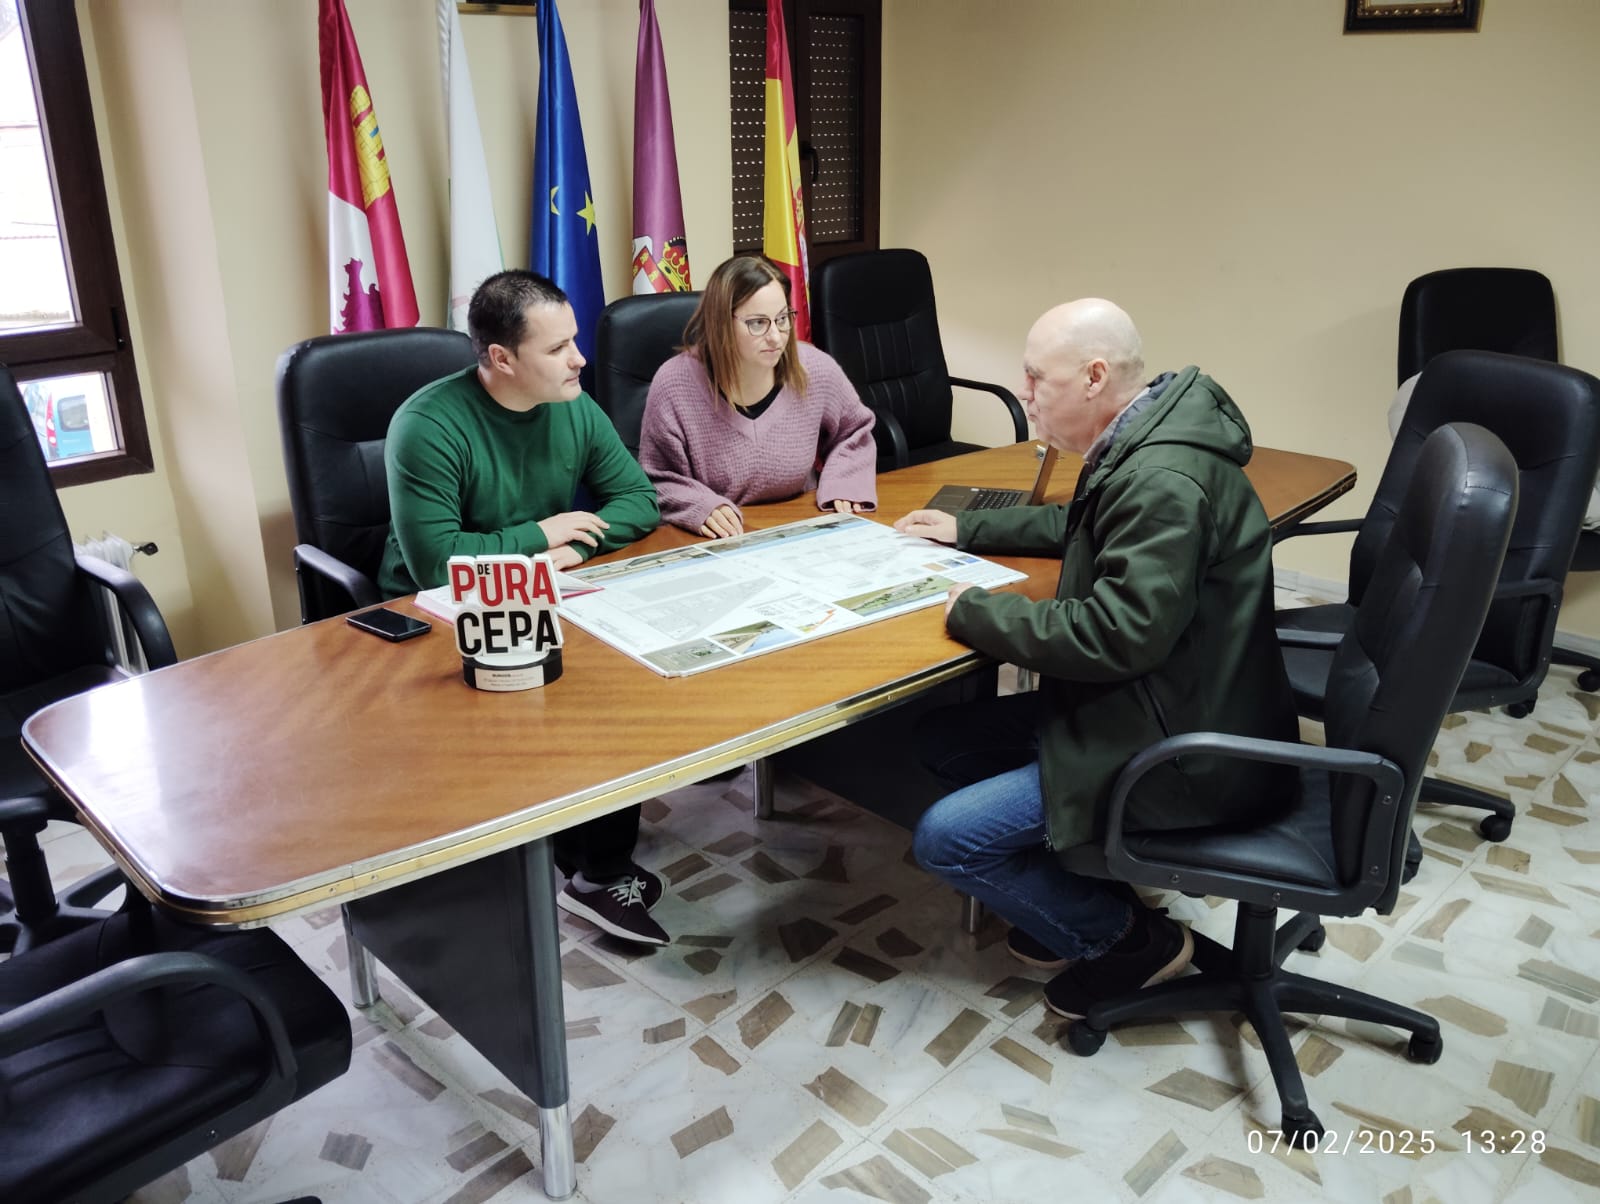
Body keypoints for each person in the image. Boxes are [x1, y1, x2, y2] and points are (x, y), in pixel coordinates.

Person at [894, 298, 1298, 1019]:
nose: (1024, 395)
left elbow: (1117, 635)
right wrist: (967, 527)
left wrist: (974, 611)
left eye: (1034, 379)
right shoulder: (1149, 443)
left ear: (1093, 377)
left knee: (946, 840)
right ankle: (1081, 880)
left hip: (1179, 751)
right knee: (941, 738)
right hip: (1165, 704)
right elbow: (1080, 525)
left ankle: (1126, 941)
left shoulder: (1163, 483)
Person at [378, 269, 668, 946]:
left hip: (544, 587)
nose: (580, 359)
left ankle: (590, 857)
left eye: (575, 341)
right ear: (501, 358)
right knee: (580, 695)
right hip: (431, 614)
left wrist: (564, 553)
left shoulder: (573, 403)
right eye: (558, 347)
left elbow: (637, 502)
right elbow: (437, 564)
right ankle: (594, 872)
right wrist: (541, 536)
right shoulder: (426, 425)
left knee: (629, 671)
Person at [640, 254, 877, 537]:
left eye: (782, 319)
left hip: (801, 525)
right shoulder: (674, 383)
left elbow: (854, 432)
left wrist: (844, 482)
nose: (776, 337)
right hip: (717, 540)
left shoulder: (813, 367)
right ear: (721, 323)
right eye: (758, 323)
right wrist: (699, 505)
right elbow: (657, 478)